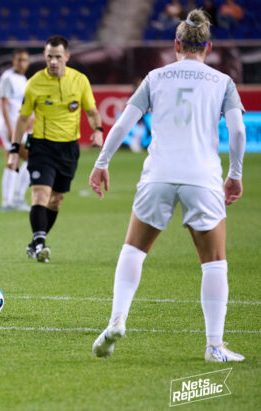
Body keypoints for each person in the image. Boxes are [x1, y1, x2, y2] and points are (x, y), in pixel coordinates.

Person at [89, 10, 246, 362]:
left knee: (133, 249)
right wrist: (234, 173)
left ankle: (116, 320)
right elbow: (237, 131)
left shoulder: (155, 77)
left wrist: (101, 163)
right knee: (214, 261)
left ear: (176, 44)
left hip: (158, 174)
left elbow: (123, 122)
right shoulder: (222, 82)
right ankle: (214, 346)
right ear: (208, 46)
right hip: (202, 178)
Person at [7, 35, 104, 263]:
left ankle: (35, 243)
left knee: (56, 200)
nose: (53, 61)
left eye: (58, 57)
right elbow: (22, 119)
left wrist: (98, 130)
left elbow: (91, 112)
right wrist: (14, 150)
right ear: (44, 56)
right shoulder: (34, 83)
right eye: (49, 56)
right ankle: (40, 242)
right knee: (41, 194)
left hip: (69, 148)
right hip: (42, 146)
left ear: (67, 57)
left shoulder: (80, 81)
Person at [0, 49, 32, 212]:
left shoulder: (23, 79)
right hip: (10, 127)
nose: (21, 63)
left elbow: (21, 105)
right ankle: (14, 199)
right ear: (13, 61)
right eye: (19, 60)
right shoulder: (7, 78)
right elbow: (3, 105)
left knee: (17, 161)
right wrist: (10, 129)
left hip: (19, 126)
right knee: (25, 159)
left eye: (24, 60)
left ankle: (10, 201)